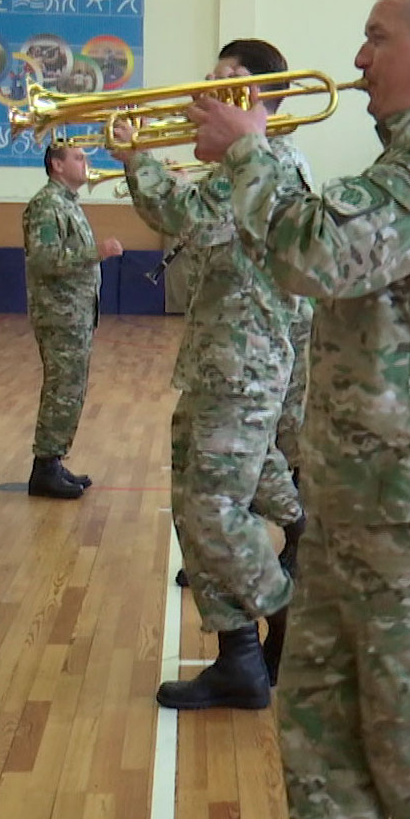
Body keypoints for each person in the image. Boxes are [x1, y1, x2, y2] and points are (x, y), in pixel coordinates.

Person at [186, 0, 410, 819]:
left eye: (377, 37)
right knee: (321, 746)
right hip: (358, 504)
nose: (359, 57)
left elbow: (317, 254)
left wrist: (252, 152)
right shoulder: (399, 164)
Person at [120, 38, 313, 712]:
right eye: (213, 72)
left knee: (214, 510)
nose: (210, 82)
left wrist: (135, 158)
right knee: (193, 508)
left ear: (267, 95)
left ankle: (290, 618)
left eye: (231, 77)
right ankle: (236, 656)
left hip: (245, 362)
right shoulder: (233, 166)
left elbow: (192, 223)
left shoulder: (272, 162)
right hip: (215, 357)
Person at [22, 142, 122, 498]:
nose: (86, 163)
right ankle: (44, 467)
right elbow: (44, 259)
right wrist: (96, 251)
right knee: (61, 390)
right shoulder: (47, 205)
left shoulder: (67, 204)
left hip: (75, 314)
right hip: (59, 314)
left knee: (71, 390)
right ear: (57, 165)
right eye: (78, 158)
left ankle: (53, 460)